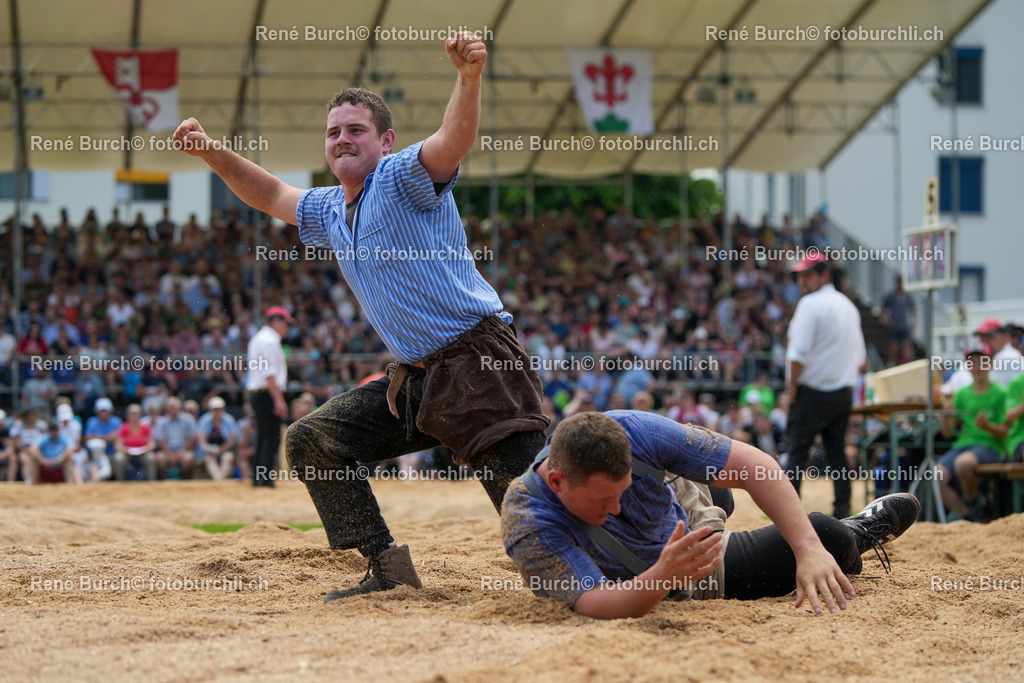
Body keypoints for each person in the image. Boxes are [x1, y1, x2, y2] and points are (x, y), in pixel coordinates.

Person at [173, 32, 547, 600]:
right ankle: (386, 566)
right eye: (333, 132)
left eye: (355, 130)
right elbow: (270, 192)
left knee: (531, 518)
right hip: (416, 376)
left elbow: (454, 138)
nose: (342, 140)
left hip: (478, 364)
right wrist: (211, 153)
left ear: (385, 139)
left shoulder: (401, 175)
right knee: (311, 442)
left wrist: (468, 78)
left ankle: (652, 496)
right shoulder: (328, 207)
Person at [501, 411, 920, 619]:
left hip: (682, 512)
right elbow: (594, 603)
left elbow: (758, 466)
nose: (614, 509)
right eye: (601, 502)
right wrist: (665, 574)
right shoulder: (528, 522)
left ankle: (719, 504)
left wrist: (806, 548)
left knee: (802, 534)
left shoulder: (635, 430)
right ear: (557, 482)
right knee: (831, 534)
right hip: (678, 573)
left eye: (622, 493)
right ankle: (858, 532)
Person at [785, 254, 866, 518]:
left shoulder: (809, 304)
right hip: (842, 393)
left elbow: (797, 355)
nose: (802, 281)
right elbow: (861, 359)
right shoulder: (848, 306)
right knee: (837, 454)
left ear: (824, 275)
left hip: (812, 392)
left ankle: (789, 513)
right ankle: (842, 511)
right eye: (800, 276)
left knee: (796, 454)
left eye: (807, 275)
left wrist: (792, 389)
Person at [937, 345, 1008, 521]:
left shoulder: (1001, 393)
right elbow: (948, 433)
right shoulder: (961, 394)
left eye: (981, 362)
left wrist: (987, 427)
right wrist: (945, 417)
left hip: (991, 446)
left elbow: (1005, 432)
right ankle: (967, 515)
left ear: (990, 364)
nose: (976, 366)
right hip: (964, 445)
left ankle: (972, 504)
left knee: (963, 463)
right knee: (936, 473)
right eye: (972, 362)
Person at [244, 306, 293, 487]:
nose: (287, 328)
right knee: (271, 437)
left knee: (263, 436)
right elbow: (269, 373)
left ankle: (258, 478)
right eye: (286, 323)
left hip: (257, 392)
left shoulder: (257, 339)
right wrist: (279, 399)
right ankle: (265, 480)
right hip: (267, 392)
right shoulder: (270, 341)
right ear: (276, 322)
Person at [22, 419, 81, 485]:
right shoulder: (43, 438)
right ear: (48, 430)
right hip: (45, 467)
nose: (53, 432)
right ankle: (31, 482)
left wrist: (60, 459)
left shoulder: (65, 437)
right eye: (51, 430)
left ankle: (71, 483)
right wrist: (43, 460)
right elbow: (32, 449)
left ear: (58, 430)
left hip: (60, 466)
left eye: (55, 430)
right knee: (33, 459)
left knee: (69, 460)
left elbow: (71, 448)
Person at [196, 396, 238, 481]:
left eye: (219, 409)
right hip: (209, 451)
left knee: (227, 457)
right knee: (209, 458)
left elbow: (232, 440)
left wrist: (220, 450)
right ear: (210, 410)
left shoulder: (229, 420)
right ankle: (219, 480)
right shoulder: (204, 420)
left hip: (225, 449)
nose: (217, 411)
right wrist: (211, 449)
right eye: (214, 409)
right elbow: (201, 440)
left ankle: (219, 480)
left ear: (223, 409)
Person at [154, 396, 197, 479]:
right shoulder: (162, 421)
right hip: (167, 452)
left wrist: (180, 453)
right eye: (169, 408)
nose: (171, 411)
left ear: (179, 408)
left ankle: (186, 481)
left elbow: (192, 439)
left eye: (173, 408)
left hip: (184, 451)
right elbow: (161, 440)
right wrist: (170, 454)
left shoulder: (188, 419)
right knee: (160, 458)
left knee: (188, 459)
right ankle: (161, 482)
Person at [114, 404, 157, 481]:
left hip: (143, 453)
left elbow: (152, 443)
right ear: (128, 415)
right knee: (119, 458)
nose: (134, 416)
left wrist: (144, 449)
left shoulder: (145, 427)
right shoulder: (124, 427)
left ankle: (152, 482)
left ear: (140, 415)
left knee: (151, 458)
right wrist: (127, 450)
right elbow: (118, 444)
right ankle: (120, 482)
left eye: (136, 414)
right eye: (132, 414)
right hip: (127, 453)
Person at [880, 276, 916, 366]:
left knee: (907, 345)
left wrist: (913, 323)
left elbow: (913, 311)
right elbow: (883, 310)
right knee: (893, 345)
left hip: (904, 325)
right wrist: (886, 319)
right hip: (894, 326)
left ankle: (909, 363)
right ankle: (890, 363)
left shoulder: (907, 297)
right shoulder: (890, 297)